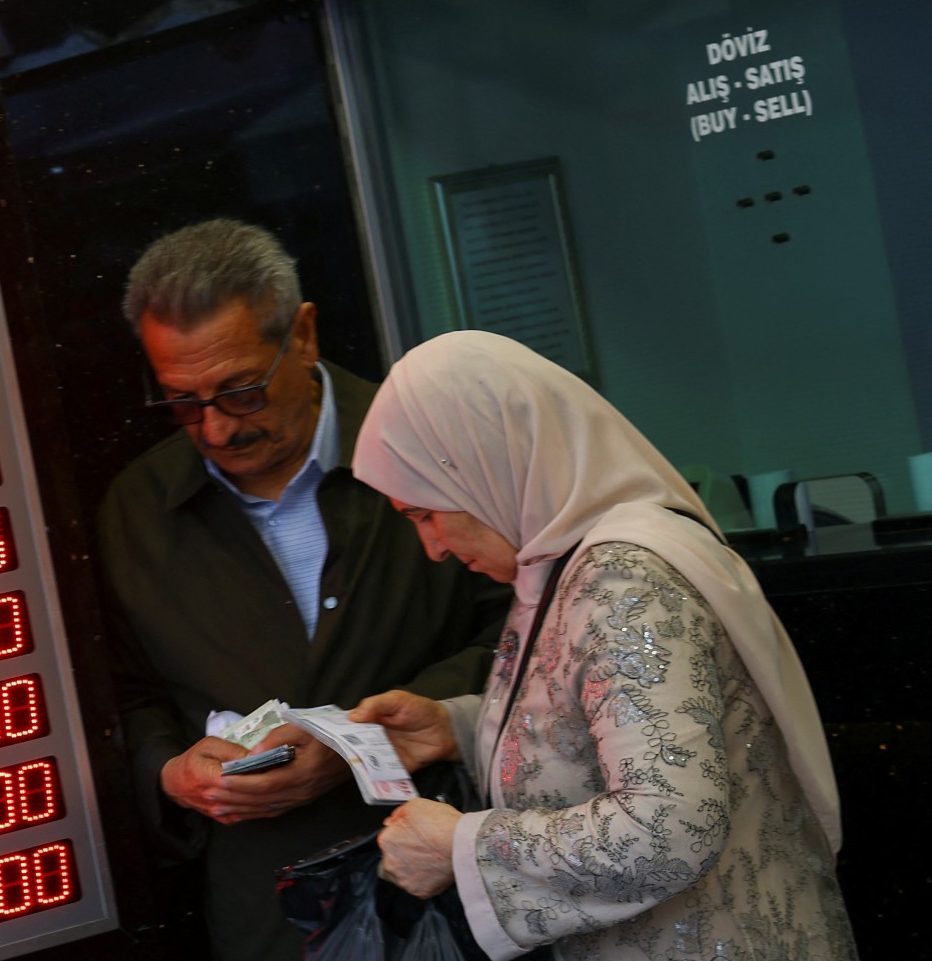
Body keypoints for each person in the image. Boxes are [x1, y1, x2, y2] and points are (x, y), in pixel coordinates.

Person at [347, 330, 856, 960]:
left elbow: (666, 828)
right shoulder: (566, 556)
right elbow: (621, 717)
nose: (434, 548)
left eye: (426, 513)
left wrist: (463, 848)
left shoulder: (622, 579)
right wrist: (456, 725)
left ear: (487, 465)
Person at [98, 220, 513, 960]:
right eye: (182, 402)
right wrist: (169, 772)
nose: (218, 429)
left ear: (306, 335)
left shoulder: (429, 448)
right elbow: (123, 698)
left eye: (242, 391)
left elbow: (531, 641)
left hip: (461, 882)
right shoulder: (137, 509)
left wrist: (358, 743)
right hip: (268, 912)